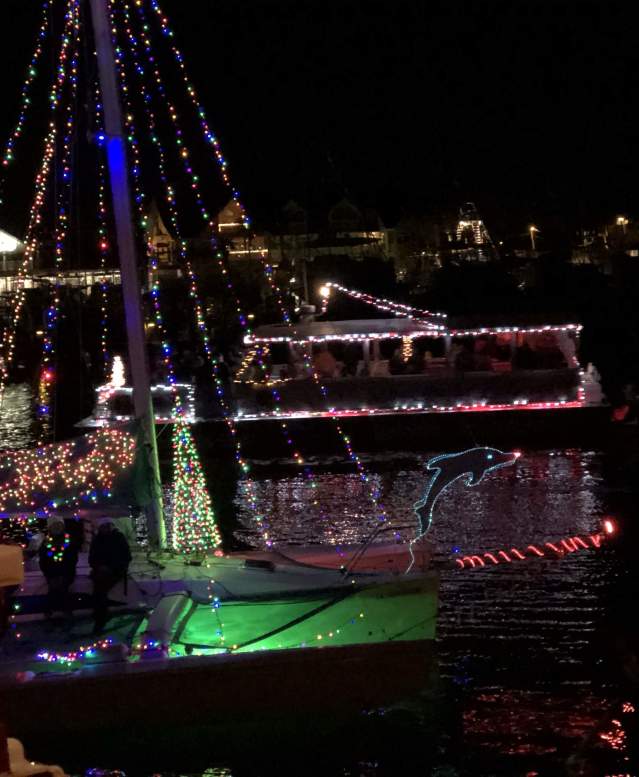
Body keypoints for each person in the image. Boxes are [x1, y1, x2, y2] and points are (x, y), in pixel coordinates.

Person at [89, 518, 131, 634]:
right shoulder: (97, 540)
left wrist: (112, 567)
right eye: (103, 526)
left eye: (107, 526)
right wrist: (99, 566)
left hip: (116, 570)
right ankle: (101, 616)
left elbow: (126, 557)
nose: (105, 528)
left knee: (99, 591)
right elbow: (91, 559)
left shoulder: (119, 538)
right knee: (98, 590)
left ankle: (100, 620)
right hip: (100, 571)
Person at [38, 517, 79, 619]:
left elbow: (73, 559)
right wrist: (50, 575)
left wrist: (64, 575)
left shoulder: (69, 540)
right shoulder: (46, 542)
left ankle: (66, 613)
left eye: (59, 525)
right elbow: (43, 560)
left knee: (64, 588)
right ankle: (50, 613)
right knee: (53, 588)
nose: (57, 527)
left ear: (63, 527)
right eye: (54, 525)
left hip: (67, 573)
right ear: (50, 527)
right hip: (51, 574)